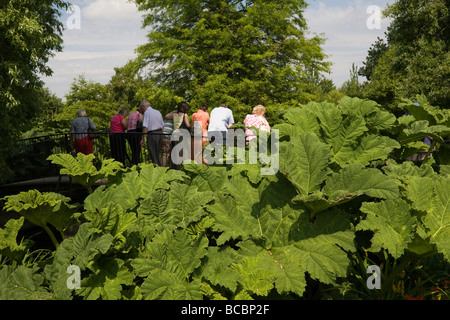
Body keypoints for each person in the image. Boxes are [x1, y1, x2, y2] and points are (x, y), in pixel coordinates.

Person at [140, 100, 164, 166]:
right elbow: (162, 125)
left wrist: (142, 138)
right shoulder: (157, 112)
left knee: (153, 153)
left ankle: (157, 168)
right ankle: (159, 168)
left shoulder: (146, 113)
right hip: (160, 133)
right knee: (157, 153)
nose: (141, 109)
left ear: (143, 106)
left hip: (152, 134)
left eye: (141, 108)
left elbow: (145, 127)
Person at [170, 102, 191, 169]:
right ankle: (181, 168)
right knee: (182, 153)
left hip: (174, 135)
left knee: (175, 152)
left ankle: (175, 167)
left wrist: (175, 111)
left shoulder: (174, 115)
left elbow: (166, 116)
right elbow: (188, 125)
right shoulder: (185, 115)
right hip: (181, 135)